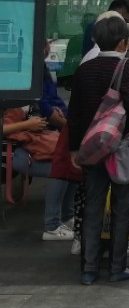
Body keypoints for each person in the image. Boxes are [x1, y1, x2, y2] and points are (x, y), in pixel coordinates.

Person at [68, 15, 129, 284]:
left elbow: (75, 113)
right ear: (124, 42)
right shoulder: (126, 68)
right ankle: (116, 267)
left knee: (92, 206)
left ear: (96, 40)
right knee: (122, 206)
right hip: (120, 148)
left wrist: (73, 149)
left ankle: (88, 270)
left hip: (90, 149)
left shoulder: (84, 70)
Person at [2, 100, 76, 241]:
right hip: (12, 151)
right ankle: (52, 226)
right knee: (60, 171)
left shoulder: (27, 95)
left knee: (71, 167)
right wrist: (27, 124)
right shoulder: (10, 96)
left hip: (25, 146)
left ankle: (67, 217)